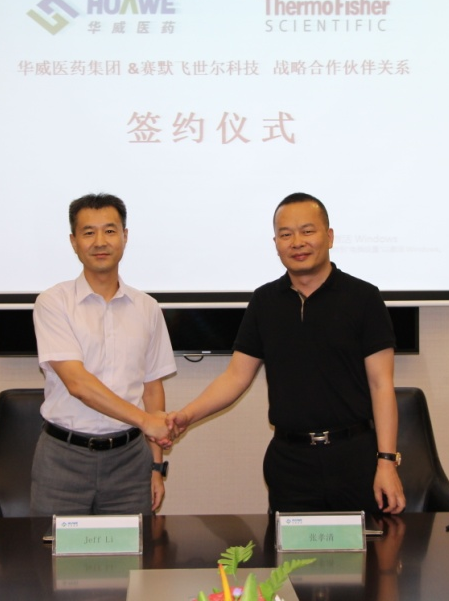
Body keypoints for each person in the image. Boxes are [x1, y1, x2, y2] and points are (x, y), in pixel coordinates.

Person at [167, 193, 406, 516]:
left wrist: (387, 461)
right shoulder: (264, 301)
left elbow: (381, 385)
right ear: (276, 243)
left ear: (329, 237)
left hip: (354, 457)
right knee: (289, 549)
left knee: (365, 548)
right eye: (286, 234)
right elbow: (236, 377)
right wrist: (186, 415)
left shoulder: (364, 298)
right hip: (290, 461)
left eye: (308, 231)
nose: (297, 242)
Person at [31, 193, 176, 518]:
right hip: (63, 458)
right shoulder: (53, 303)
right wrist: (145, 421)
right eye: (88, 232)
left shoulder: (147, 308)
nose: (100, 242)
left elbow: (152, 389)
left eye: (110, 231)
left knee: (132, 550)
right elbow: (78, 384)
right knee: (52, 549)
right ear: (73, 241)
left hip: (130, 461)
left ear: (125, 236)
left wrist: (156, 467)